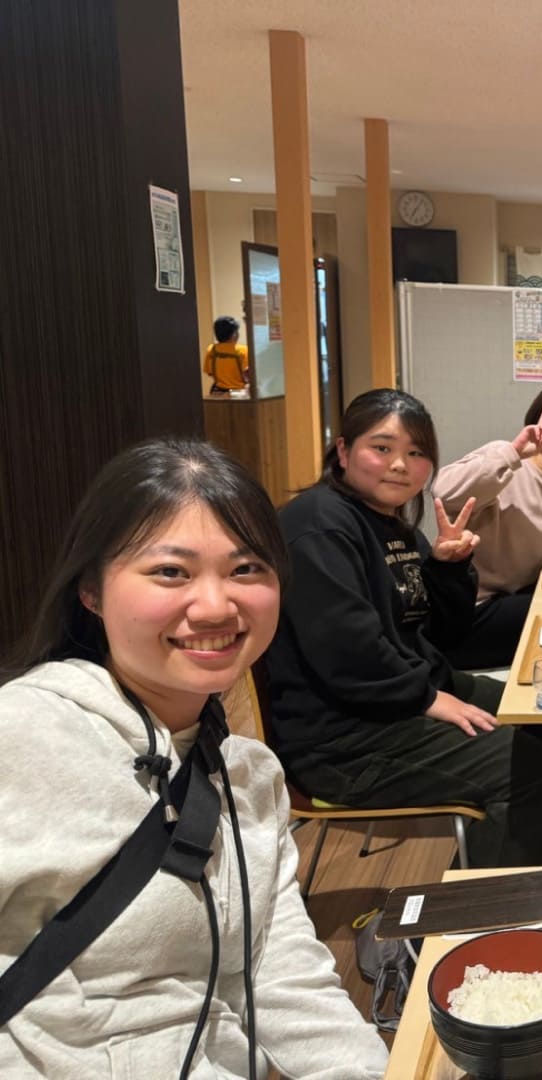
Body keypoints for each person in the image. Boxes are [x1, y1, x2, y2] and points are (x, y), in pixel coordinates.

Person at [0, 439, 386, 1077]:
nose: (214, 607)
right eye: (170, 572)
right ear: (92, 590)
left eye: (246, 569)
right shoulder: (23, 733)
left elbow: (278, 969)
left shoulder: (251, 777)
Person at [264, 389, 542, 867]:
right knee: (530, 769)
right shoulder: (318, 524)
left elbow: (446, 635)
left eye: (416, 452)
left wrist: (446, 567)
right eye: (382, 448)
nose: (400, 465)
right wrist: (426, 699)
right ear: (343, 451)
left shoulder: (394, 526)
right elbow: (347, 651)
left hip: (397, 699)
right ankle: (487, 904)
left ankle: (528, 846)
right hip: (343, 743)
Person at [435, 377, 542, 670]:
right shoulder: (507, 459)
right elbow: (443, 491)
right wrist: (513, 453)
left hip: (516, 596)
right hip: (472, 609)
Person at [203, 315, 250, 396]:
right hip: (239, 394)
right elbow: (247, 374)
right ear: (234, 334)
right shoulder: (244, 350)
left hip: (218, 393)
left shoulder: (211, 349)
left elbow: (209, 373)